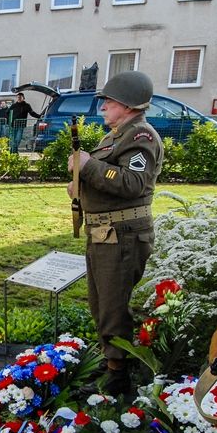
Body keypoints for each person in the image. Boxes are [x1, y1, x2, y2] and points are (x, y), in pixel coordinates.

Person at [66, 70, 162, 397]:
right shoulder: (116, 137)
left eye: (109, 101)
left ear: (128, 105)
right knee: (101, 304)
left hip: (122, 235)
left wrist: (88, 166)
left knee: (113, 305)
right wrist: (80, 186)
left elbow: (132, 183)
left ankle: (118, 375)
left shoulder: (141, 137)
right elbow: (109, 180)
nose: (104, 106)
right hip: (106, 233)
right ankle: (111, 362)